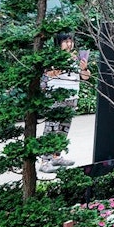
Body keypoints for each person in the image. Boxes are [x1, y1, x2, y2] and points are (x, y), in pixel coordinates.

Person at [39, 32, 90, 174]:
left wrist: (83, 67)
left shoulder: (77, 57)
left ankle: (56, 156)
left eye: (71, 41)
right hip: (56, 96)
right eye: (65, 41)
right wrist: (64, 62)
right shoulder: (53, 57)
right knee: (51, 128)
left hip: (72, 97)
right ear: (58, 42)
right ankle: (45, 160)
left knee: (64, 128)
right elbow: (49, 73)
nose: (69, 44)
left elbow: (85, 77)